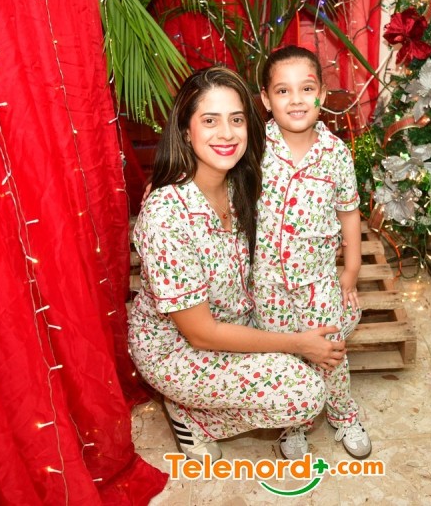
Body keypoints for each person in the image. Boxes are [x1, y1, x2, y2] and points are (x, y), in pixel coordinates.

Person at [128, 66, 347, 462]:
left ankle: (209, 400)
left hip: (240, 320)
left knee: (326, 331)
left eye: (237, 119)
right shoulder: (166, 217)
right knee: (304, 395)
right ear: (186, 130)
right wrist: (298, 344)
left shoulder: (239, 182)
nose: (227, 134)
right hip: (181, 348)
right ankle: (192, 417)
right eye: (210, 121)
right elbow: (201, 334)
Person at [252, 45, 372, 460]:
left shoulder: (335, 153)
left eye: (306, 89)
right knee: (285, 353)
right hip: (267, 282)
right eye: (282, 91)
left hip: (319, 280)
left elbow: (349, 212)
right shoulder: (254, 148)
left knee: (329, 351)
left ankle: (342, 415)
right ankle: (295, 422)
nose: (296, 100)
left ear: (321, 93)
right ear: (266, 99)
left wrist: (351, 269)